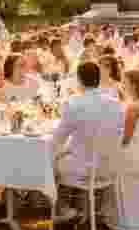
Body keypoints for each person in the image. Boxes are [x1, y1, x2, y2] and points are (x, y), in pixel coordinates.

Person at [51, 60, 125, 221]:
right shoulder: (116, 104)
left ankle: (62, 207)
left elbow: (58, 137)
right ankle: (81, 206)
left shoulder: (73, 103)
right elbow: (120, 132)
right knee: (68, 154)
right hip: (109, 165)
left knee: (51, 160)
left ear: (79, 80)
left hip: (83, 167)